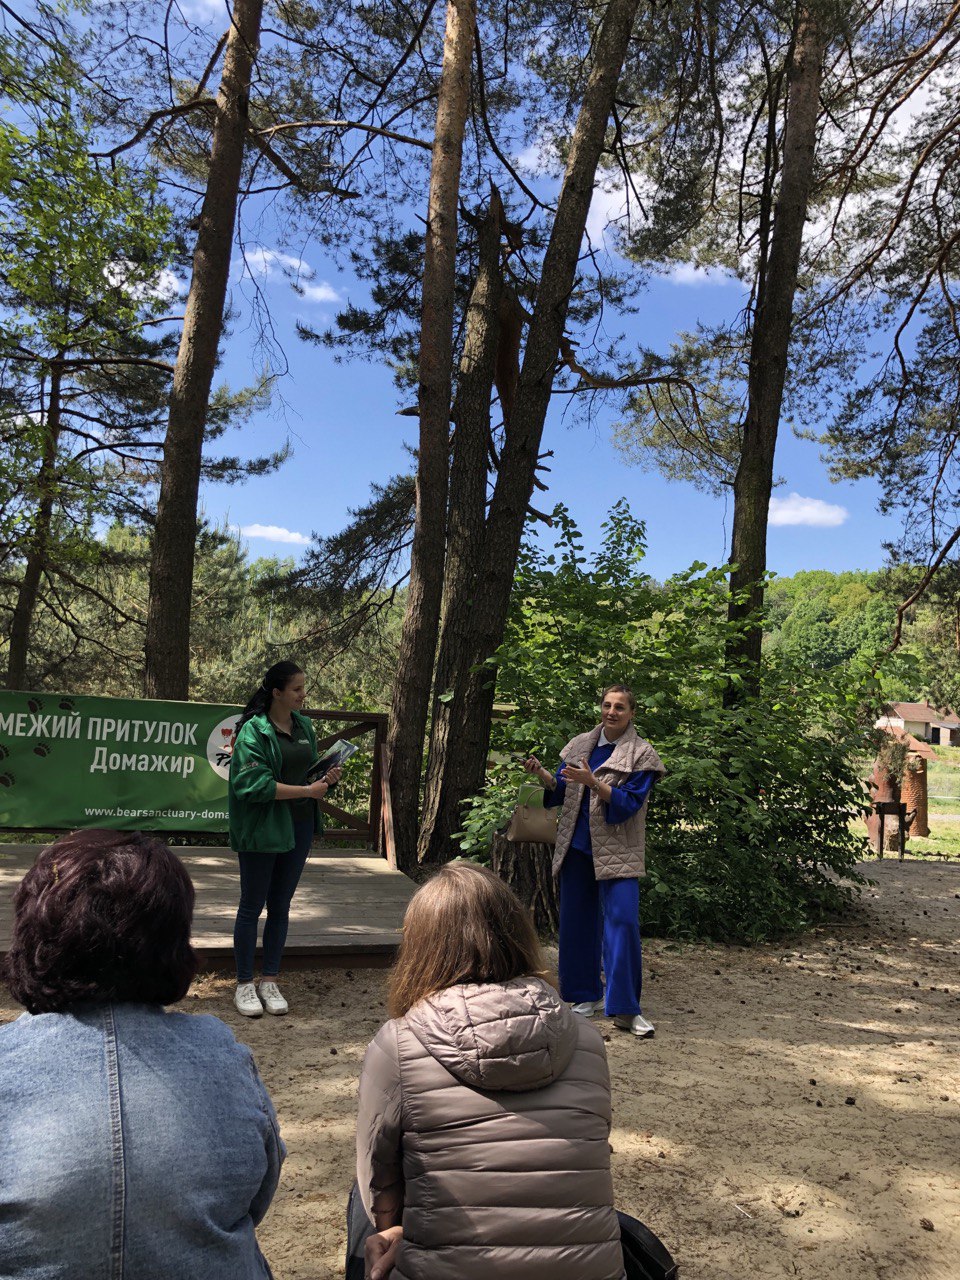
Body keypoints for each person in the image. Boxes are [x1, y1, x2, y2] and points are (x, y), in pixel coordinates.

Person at [0, 829, 284, 1280]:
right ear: (173, 940)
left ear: (33, 931)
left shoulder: (7, 1063)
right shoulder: (221, 1053)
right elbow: (258, 1192)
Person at [353, 862, 625, 1280]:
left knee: (362, 1203)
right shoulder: (586, 1037)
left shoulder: (399, 1044)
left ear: (420, 948)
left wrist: (392, 1229)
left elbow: (378, 1175)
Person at [524, 684, 665, 1038]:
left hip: (619, 851)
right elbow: (561, 790)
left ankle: (626, 1010)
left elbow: (629, 803)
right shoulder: (579, 745)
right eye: (607, 705)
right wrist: (541, 773)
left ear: (632, 713)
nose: (611, 712)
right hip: (576, 847)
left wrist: (593, 783)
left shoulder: (641, 754)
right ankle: (585, 995)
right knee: (577, 924)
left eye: (619, 707)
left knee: (623, 924)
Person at [228, 660, 341, 1018]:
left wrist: (325, 776)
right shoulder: (252, 732)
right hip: (262, 828)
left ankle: (270, 980)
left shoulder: (304, 725)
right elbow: (253, 785)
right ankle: (244, 983)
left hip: (299, 825)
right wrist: (308, 791)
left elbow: (305, 771)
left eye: (304, 688)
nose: (303, 695)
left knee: (281, 905)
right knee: (251, 905)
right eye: (297, 689)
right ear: (276, 692)